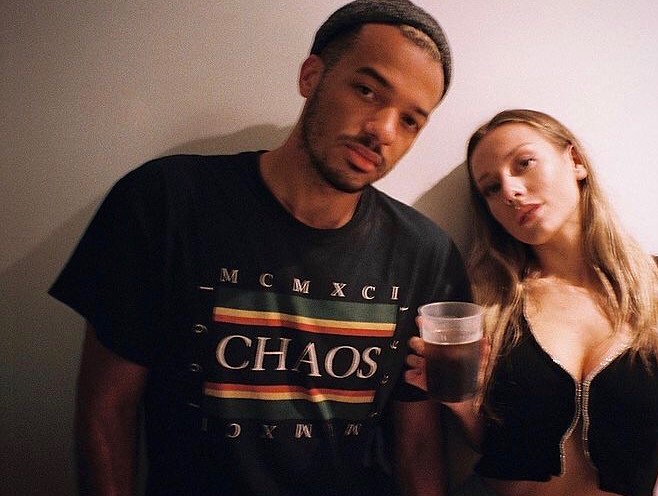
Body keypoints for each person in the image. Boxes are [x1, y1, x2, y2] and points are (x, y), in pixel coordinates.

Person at [49, 1, 471, 495]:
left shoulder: (424, 254)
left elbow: (416, 447)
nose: (383, 130)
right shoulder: (165, 203)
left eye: (411, 121)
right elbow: (107, 412)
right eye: (366, 90)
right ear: (311, 76)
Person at [405, 109, 658, 496]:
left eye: (524, 163)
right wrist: (462, 402)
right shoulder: (488, 304)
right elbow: (494, 445)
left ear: (575, 160)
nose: (509, 191)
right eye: (491, 188)